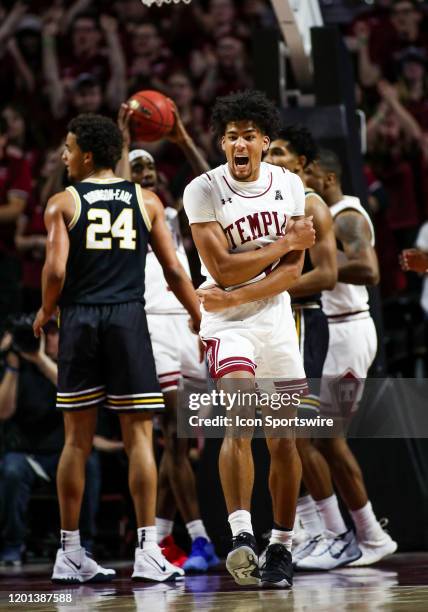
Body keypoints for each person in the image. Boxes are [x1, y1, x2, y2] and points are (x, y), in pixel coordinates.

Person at [33, 113, 202, 583]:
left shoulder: (62, 202)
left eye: (67, 149)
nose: (63, 157)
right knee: (141, 439)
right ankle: (149, 549)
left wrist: (47, 311)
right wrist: (196, 313)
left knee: (75, 441)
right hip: (129, 319)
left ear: (87, 155)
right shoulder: (146, 200)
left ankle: (69, 552)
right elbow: (172, 269)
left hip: (82, 319)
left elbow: (55, 271)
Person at [183, 90, 315, 589]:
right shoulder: (202, 190)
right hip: (228, 326)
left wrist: (243, 289)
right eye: (231, 136)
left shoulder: (291, 184)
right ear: (222, 143)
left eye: (249, 136)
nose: (240, 143)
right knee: (239, 418)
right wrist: (283, 244)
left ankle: (281, 543)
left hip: (275, 321)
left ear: (264, 141)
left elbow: (294, 272)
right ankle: (241, 535)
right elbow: (219, 266)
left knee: (284, 439)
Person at [118, 105, 219, 573]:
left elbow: (214, 185)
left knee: (183, 445)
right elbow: (116, 189)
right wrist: (123, 141)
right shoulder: (122, 213)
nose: (146, 175)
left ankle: (161, 541)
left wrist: (181, 139)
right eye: (137, 168)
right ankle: (199, 540)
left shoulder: (174, 216)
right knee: (175, 440)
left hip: (188, 322)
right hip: (153, 324)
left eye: (151, 169)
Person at [291, 148, 396, 569]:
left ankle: (368, 536)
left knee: (325, 439)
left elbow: (370, 271)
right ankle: (334, 533)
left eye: (308, 173)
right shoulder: (309, 215)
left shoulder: (347, 214)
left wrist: (323, 263)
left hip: (349, 329)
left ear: (328, 177)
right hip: (326, 330)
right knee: (311, 437)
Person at [263, 126, 341, 561]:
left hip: (304, 320)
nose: (270, 158)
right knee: (278, 439)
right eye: (268, 151)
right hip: (274, 322)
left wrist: (273, 289)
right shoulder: (266, 201)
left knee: (299, 436)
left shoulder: (311, 205)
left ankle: (335, 532)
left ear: (303, 165)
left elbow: (328, 275)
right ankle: (309, 531)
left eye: (279, 152)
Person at [0, 320, 99, 565]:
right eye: (45, 334)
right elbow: (3, 412)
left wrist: (40, 360)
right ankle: (12, 545)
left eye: (55, 333)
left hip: (63, 451)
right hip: (26, 453)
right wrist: (12, 367)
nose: (49, 339)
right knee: (11, 470)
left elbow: (74, 394)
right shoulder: (17, 366)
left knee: (89, 464)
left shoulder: (72, 365)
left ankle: (84, 544)